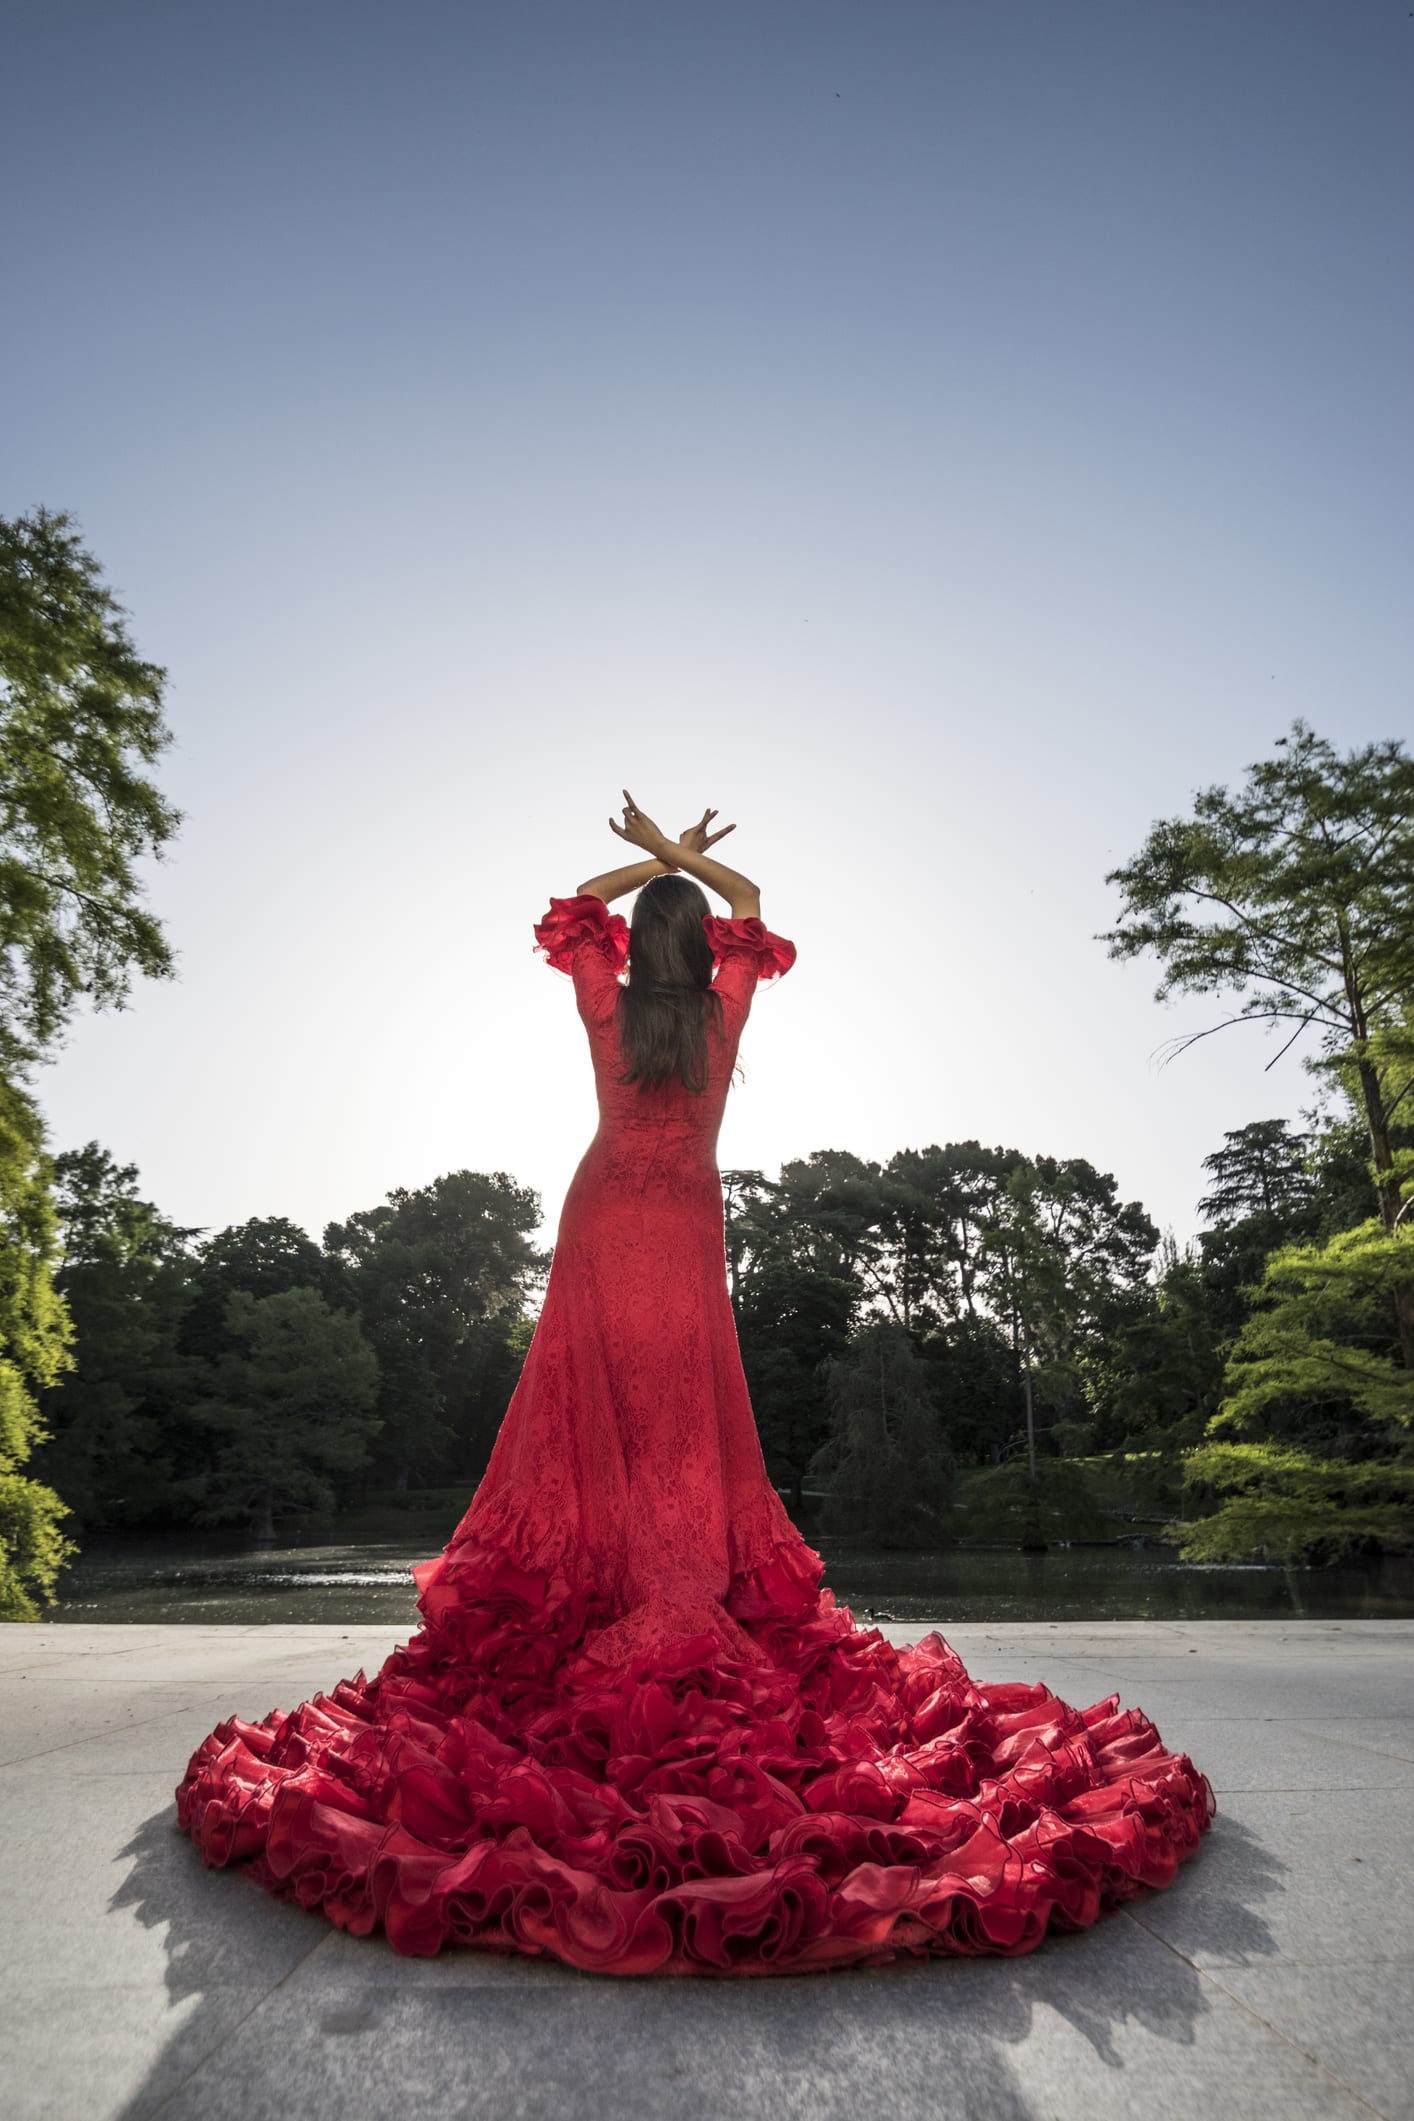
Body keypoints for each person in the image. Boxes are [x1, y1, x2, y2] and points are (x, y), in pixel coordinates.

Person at [176, 791, 1214, 1975]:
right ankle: (673, 1576)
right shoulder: (722, 1019)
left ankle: (614, 1579)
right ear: (702, 951)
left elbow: (566, 916)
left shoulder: (606, 1011)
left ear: (634, 950)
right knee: (678, 1422)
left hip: (605, 1211)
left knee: (600, 1415)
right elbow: (757, 914)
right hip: (681, 1226)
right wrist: (684, 862)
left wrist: (640, 867)